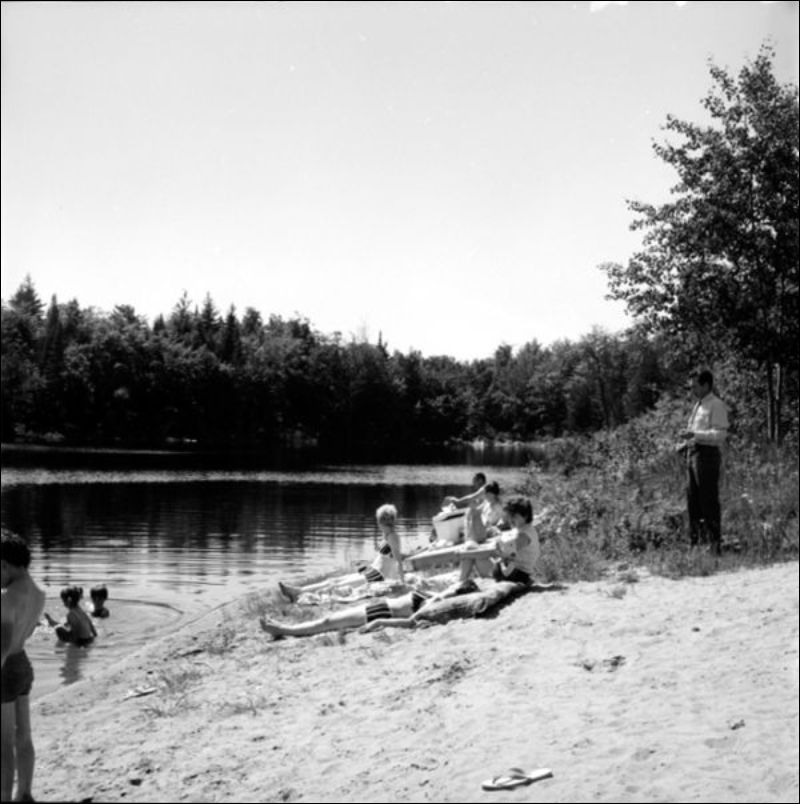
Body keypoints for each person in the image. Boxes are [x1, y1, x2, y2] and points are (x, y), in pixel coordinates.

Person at [260, 579, 481, 639]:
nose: (451, 585)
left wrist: (380, 623)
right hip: (378, 607)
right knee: (330, 620)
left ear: (457, 591)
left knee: (327, 623)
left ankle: (283, 630)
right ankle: (284, 628)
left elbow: (411, 620)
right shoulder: (437, 597)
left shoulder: (437, 603)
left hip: (378, 613)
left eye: (455, 586)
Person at [278, 503, 406, 602]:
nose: (377, 523)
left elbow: (398, 561)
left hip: (377, 578)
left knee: (336, 586)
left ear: (381, 521)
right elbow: (387, 558)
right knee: (333, 580)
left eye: (378, 520)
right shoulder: (387, 535)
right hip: (372, 572)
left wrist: (402, 583)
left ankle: (298, 593)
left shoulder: (393, 537)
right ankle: (298, 591)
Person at [1, 530, 46, 804]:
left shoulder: (6, 598)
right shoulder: (39, 594)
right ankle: (25, 793)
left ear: (4, 563)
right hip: (23, 665)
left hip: (4, 669)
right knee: (24, 735)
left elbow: (2, 647)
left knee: (3, 743)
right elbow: (24, 634)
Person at [676, 369, 729, 555]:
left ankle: (714, 545)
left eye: (695, 386)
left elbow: (720, 435)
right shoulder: (698, 406)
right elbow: (694, 431)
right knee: (693, 501)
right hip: (693, 454)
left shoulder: (716, 405)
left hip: (707, 456)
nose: (692, 390)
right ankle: (696, 544)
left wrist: (695, 435)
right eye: (691, 387)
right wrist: (684, 443)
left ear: (706, 385)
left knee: (708, 500)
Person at [458, 496, 540, 585]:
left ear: (525, 516)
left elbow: (506, 550)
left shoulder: (524, 535)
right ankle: (461, 580)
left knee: (473, 555)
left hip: (517, 574)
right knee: (470, 554)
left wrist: (492, 547)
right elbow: (506, 545)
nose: (511, 520)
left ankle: (461, 581)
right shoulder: (521, 529)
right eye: (510, 516)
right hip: (512, 571)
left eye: (514, 516)